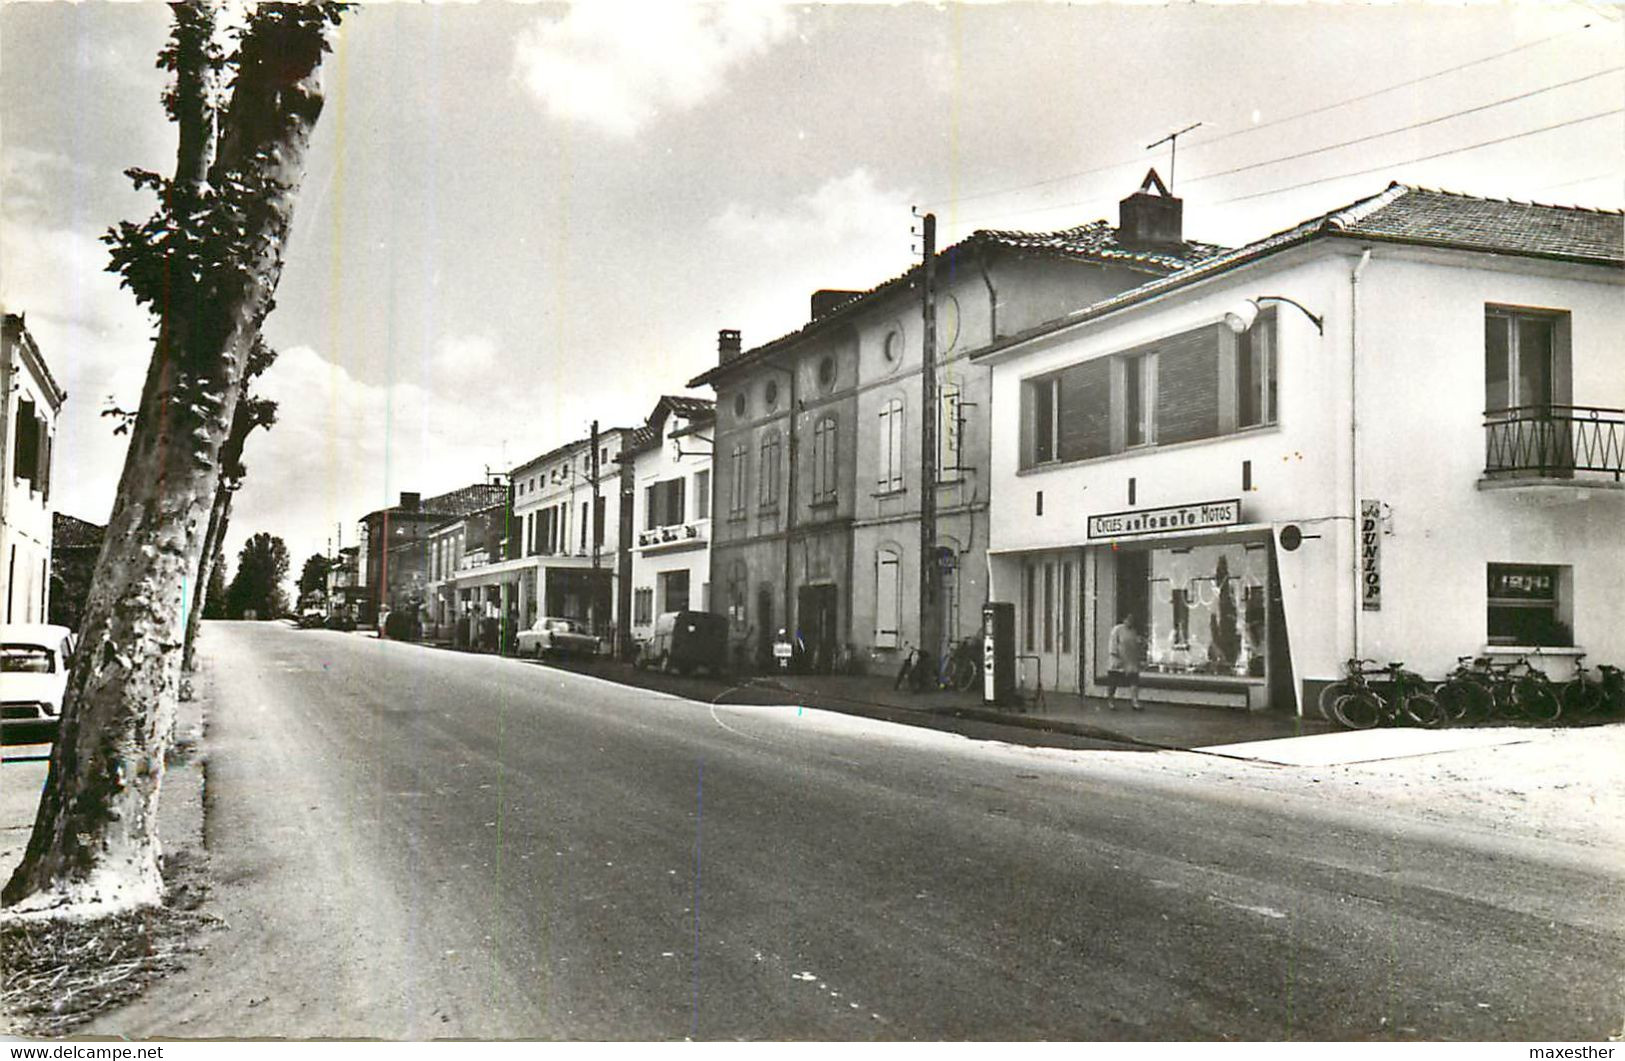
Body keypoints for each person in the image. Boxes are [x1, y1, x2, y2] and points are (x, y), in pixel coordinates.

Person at [1106, 612, 1145, 711]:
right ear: (1124, 619)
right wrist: (1115, 656)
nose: (1130, 622)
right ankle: (1110, 700)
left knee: (1134, 680)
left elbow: (1136, 646)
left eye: (1132, 620)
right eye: (1128, 619)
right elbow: (1113, 644)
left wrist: (1139, 649)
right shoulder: (1117, 630)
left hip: (1130, 660)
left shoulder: (1133, 632)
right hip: (1119, 659)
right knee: (1114, 682)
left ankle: (1134, 701)